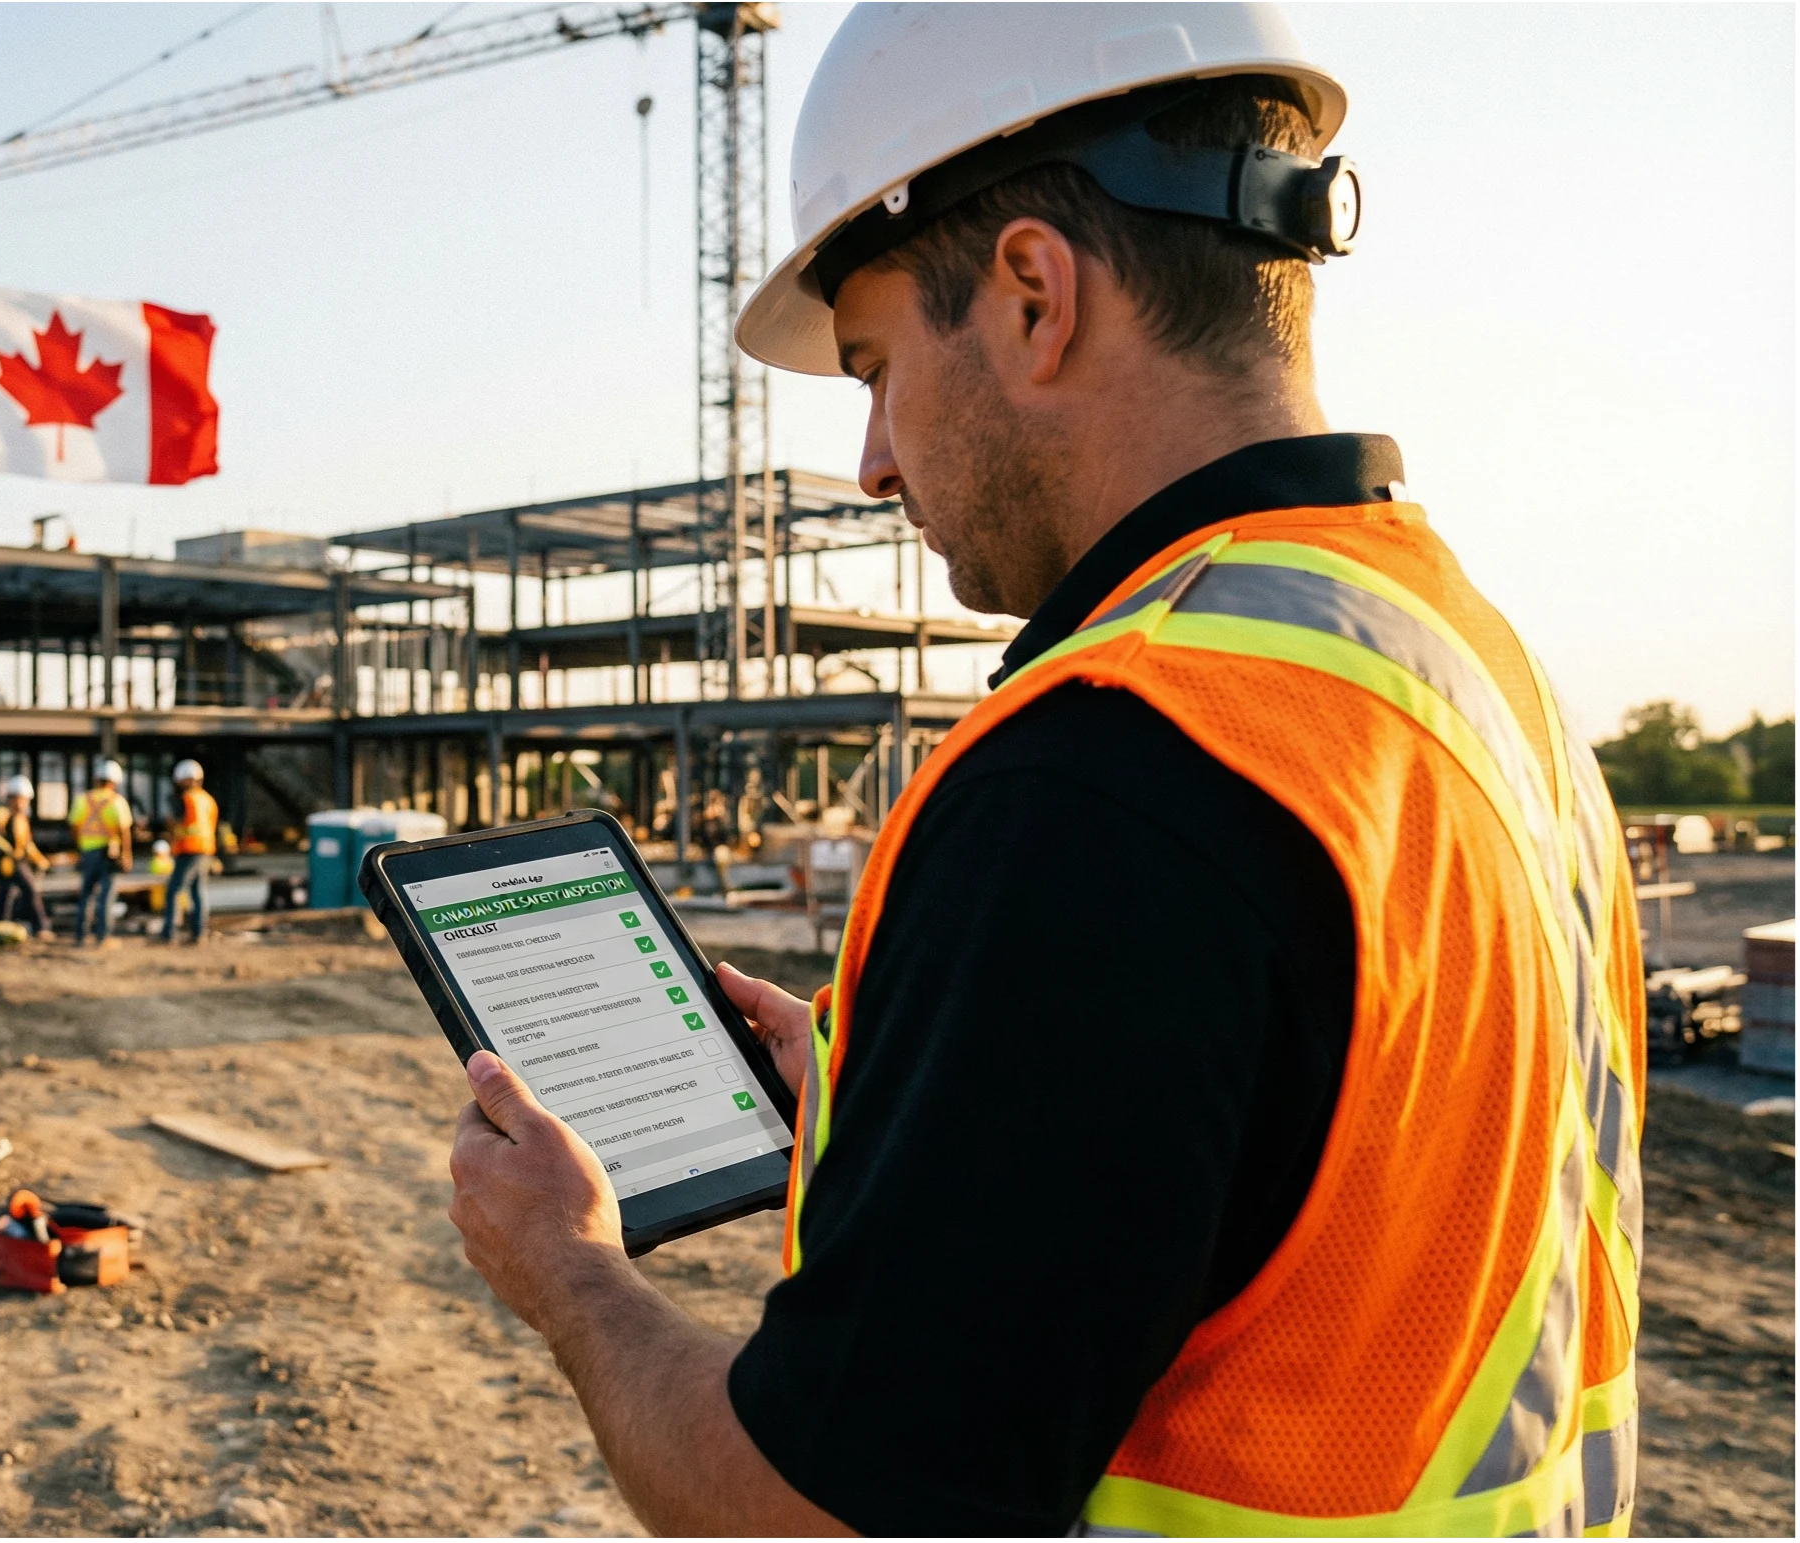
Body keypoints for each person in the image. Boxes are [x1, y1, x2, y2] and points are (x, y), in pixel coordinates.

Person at [443, 6, 1644, 1538]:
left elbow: (811, 1514)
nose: (872, 459)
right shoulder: (1471, 670)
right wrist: (933, 1097)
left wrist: (570, 1273)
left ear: (1027, 295)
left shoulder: (1103, 774)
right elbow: (1327, 1179)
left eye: (873, 366)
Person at [70, 758, 133, 947]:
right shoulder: (117, 801)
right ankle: (103, 936)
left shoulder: (82, 799)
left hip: (88, 851)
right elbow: (124, 830)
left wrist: (80, 847)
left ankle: (81, 935)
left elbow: (74, 825)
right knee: (106, 895)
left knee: (86, 893)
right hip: (109, 853)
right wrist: (126, 854)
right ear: (114, 782)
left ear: (96, 779)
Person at [0, 775, 50, 939]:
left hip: (16, 861)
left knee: (6, 894)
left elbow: (27, 843)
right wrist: (8, 853)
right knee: (30, 890)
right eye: (24, 799)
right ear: (15, 797)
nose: (25, 803)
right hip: (8, 863)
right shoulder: (2, 814)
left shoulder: (21, 819)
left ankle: (1, 925)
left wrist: (39, 859)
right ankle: (40, 926)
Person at [163, 759, 220, 946]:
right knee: (198, 892)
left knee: (174, 891)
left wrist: (171, 829)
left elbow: (179, 824)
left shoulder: (187, 799)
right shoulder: (208, 799)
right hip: (206, 850)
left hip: (189, 850)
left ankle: (169, 933)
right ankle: (199, 933)